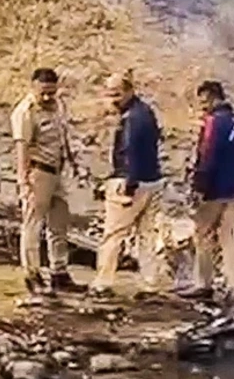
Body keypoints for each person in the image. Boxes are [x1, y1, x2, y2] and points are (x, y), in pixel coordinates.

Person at [89, 70, 165, 299]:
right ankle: (150, 283)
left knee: (114, 234)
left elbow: (131, 151)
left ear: (130, 91)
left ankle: (103, 283)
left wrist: (128, 182)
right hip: (153, 180)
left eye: (117, 94)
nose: (113, 99)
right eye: (110, 94)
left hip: (130, 181)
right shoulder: (146, 112)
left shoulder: (131, 118)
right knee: (147, 235)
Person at [181, 80, 234, 301]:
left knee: (203, 235)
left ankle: (204, 283)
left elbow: (207, 156)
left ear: (214, 97)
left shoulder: (213, 123)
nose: (202, 106)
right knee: (228, 237)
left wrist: (199, 187)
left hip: (214, 189)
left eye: (204, 101)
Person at [11, 67, 81, 295]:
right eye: (44, 92)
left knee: (59, 222)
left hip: (57, 170)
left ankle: (59, 272)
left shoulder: (57, 105)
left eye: (52, 91)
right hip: (38, 172)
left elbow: (63, 136)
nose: (48, 97)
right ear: (33, 87)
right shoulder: (25, 112)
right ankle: (32, 274)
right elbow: (21, 148)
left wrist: (73, 162)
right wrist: (23, 182)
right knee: (33, 224)